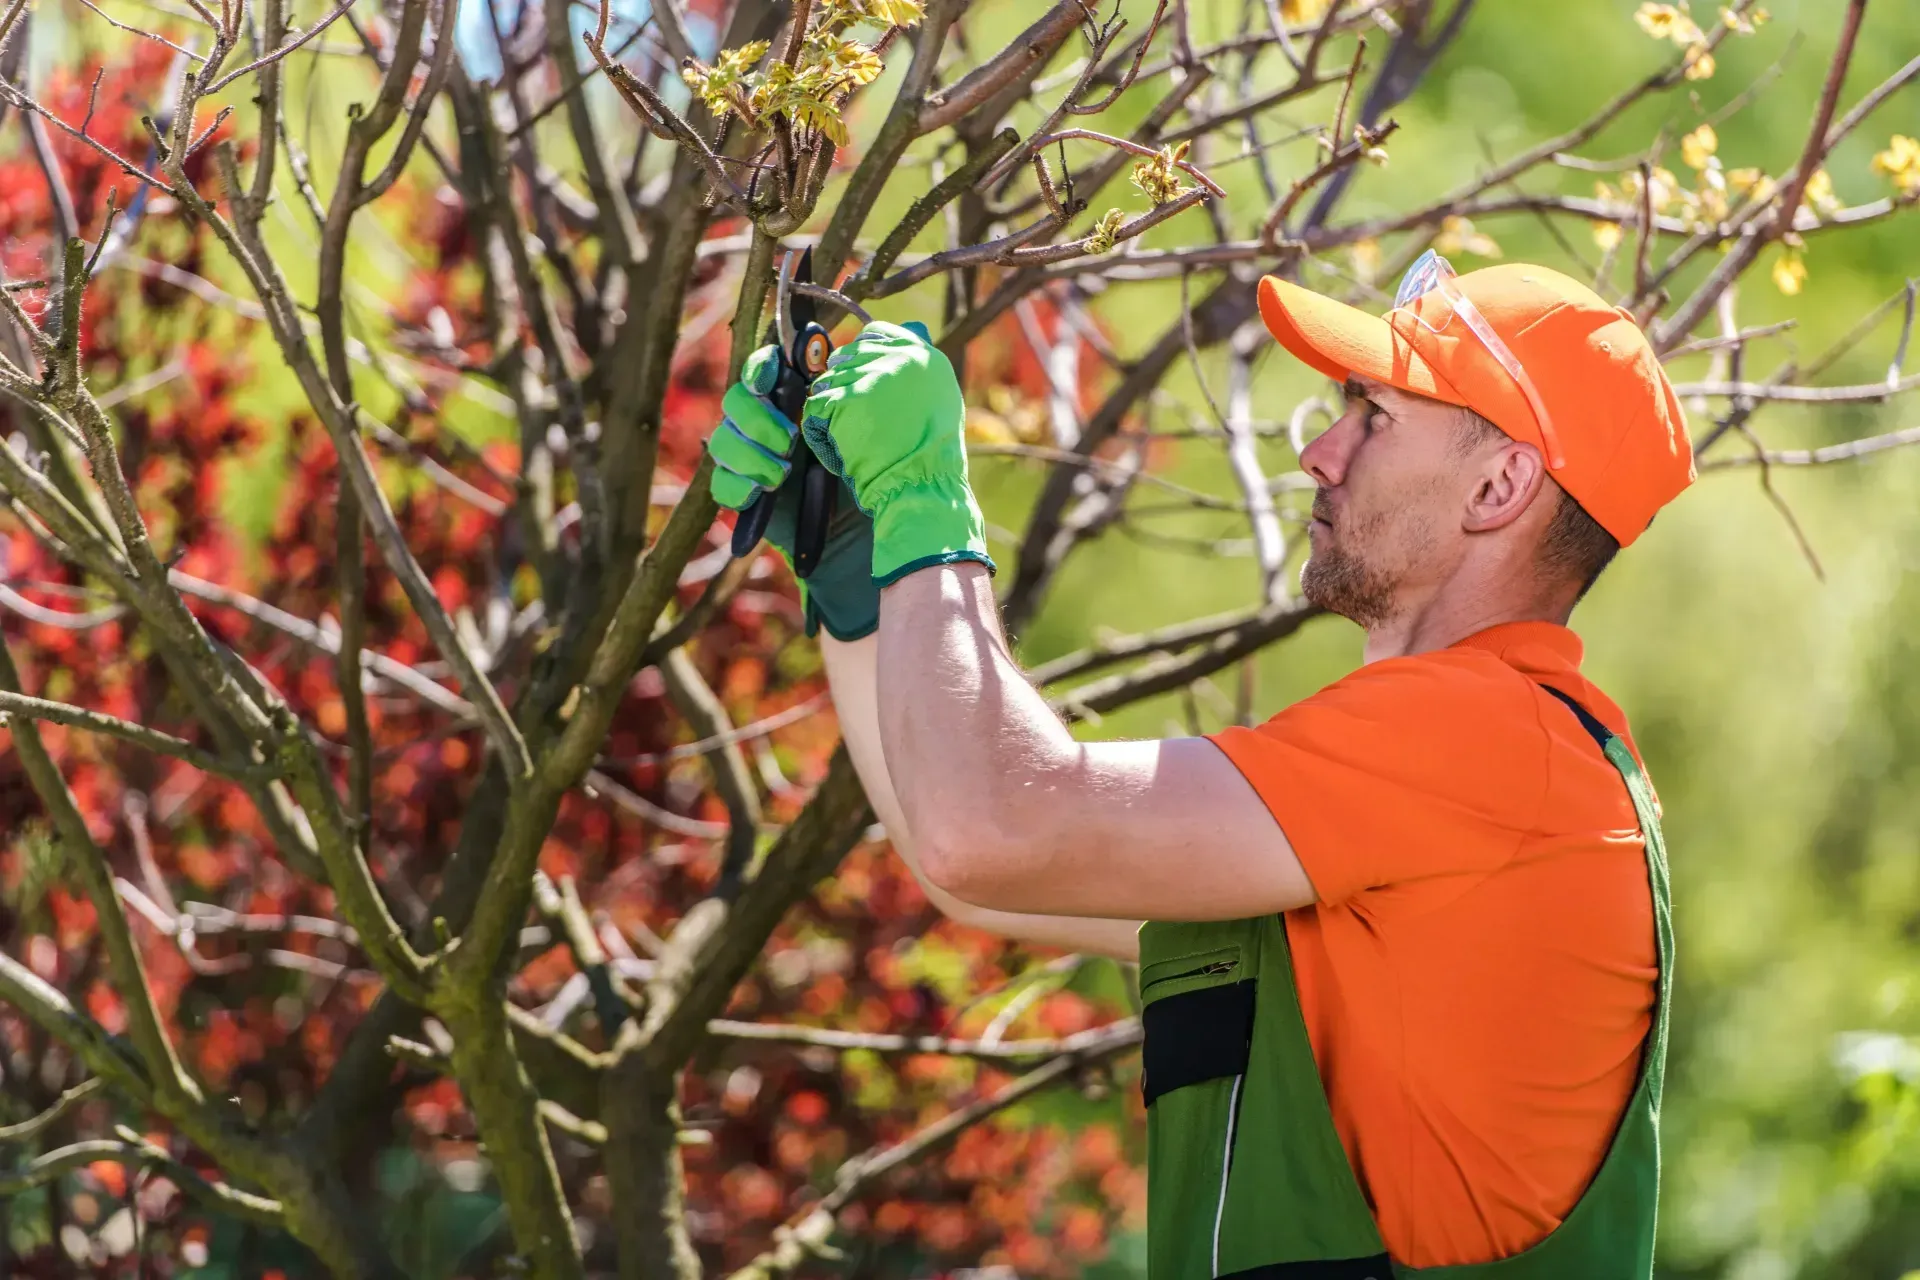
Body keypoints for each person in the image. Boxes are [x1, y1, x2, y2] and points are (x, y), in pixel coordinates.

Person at [705, 251, 1694, 1277]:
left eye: (1377, 416)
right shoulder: (1445, 800)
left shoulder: (1489, 735)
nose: (1318, 450)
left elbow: (987, 826)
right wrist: (865, 564)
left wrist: (923, 503)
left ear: (1499, 484)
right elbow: (963, 850)